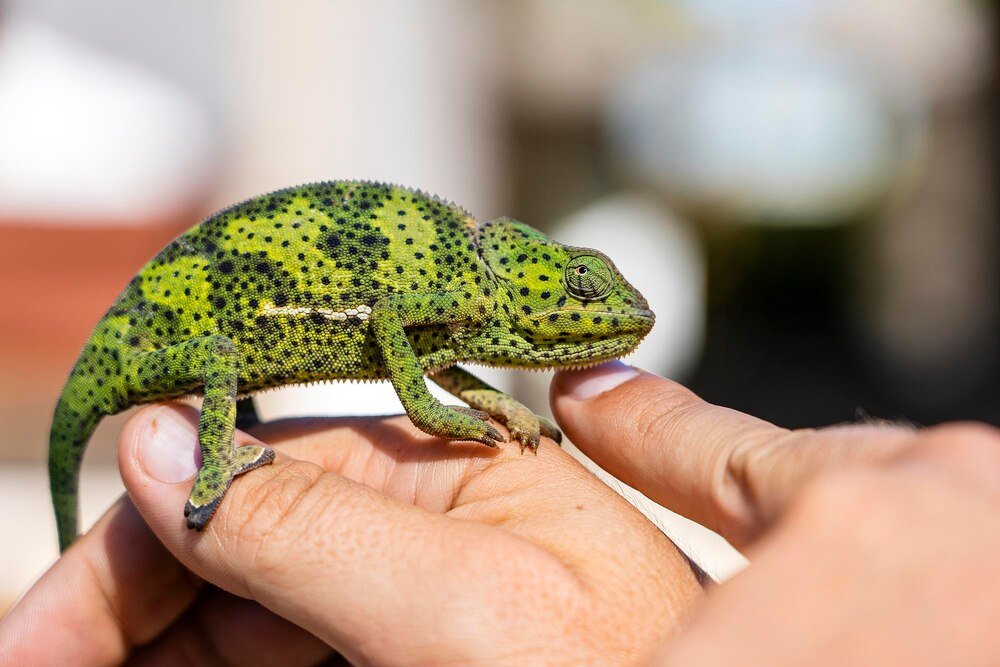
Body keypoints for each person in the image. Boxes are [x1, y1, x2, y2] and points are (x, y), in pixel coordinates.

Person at [1, 361, 998, 665]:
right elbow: (399, 333)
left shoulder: (472, 310)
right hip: (200, 330)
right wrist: (439, 409)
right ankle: (210, 457)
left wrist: (467, 404)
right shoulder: (449, 297)